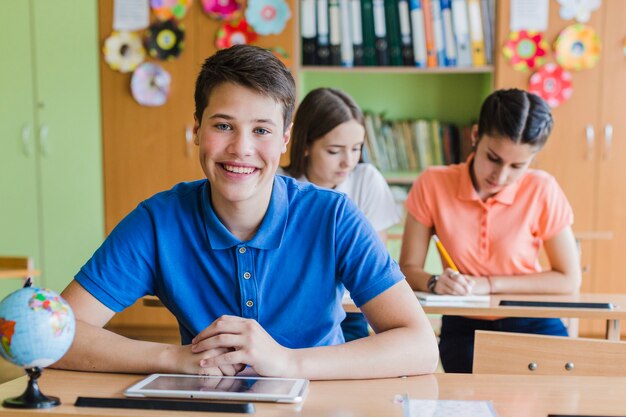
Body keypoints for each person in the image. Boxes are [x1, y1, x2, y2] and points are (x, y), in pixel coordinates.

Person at [55, 45, 438, 379]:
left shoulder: (334, 217)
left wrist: (289, 362)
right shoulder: (158, 221)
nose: (241, 148)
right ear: (196, 131)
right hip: (210, 404)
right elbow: (57, 333)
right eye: (223, 125)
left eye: (261, 130)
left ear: (286, 139)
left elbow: (420, 346)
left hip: (320, 401)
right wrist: (175, 357)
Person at [399, 88, 581, 373]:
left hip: (534, 319)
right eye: (493, 158)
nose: (501, 175)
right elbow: (408, 270)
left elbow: (569, 279)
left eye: (518, 165)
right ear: (475, 136)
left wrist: (488, 283)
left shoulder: (542, 188)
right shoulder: (433, 183)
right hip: (465, 325)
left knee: (568, 399)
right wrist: (434, 282)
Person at [283, 87, 402, 341]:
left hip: (352, 308)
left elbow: (374, 262)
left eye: (356, 148)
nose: (348, 161)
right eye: (335, 151)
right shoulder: (278, 185)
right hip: (289, 312)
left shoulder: (367, 179)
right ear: (305, 145)